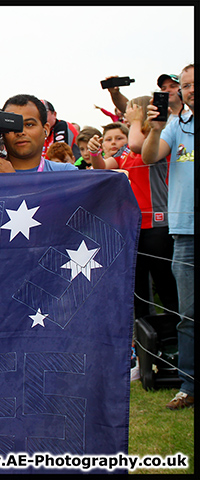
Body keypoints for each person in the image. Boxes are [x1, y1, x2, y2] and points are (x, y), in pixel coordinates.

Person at [87, 111, 178, 324]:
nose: (115, 142)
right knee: (138, 288)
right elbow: (101, 168)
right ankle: (147, 339)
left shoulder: (157, 146)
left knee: (165, 284)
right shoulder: (124, 153)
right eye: (109, 139)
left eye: (120, 137)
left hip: (158, 226)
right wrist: (94, 152)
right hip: (131, 228)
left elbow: (140, 144)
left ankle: (175, 336)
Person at [142, 64, 194, 410]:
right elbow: (149, 157)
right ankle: (189, 385)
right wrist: (155, 129)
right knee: (188, 316)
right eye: (186, 85)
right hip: (186, 234)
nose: (190, 90)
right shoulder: (176, 125)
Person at [0, 94, 77, 173]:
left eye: (29, 124)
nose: (20, 132)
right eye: (13, 126)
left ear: (46, 129)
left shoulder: (66, 173)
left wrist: (11, 180)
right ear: (2, 132)